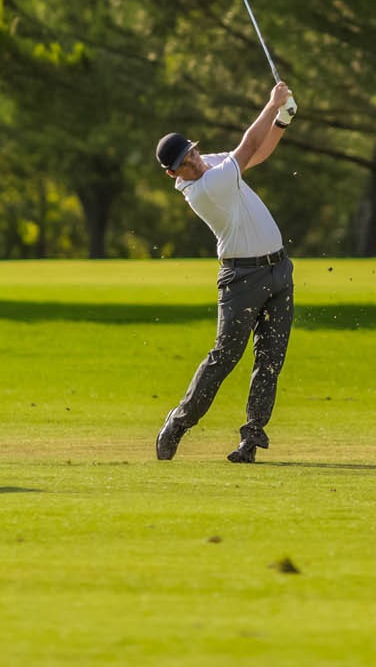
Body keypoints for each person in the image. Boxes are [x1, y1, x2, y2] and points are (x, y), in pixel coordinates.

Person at [154, 80, 298, 464]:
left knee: (270, 360)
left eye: (193, 153)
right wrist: (272, 104)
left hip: (279, 271)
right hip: (242, 280)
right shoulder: (202, 189)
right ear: (174, 174)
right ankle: (179, 422)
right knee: (224, 358)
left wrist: (281, 121)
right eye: (186, 162)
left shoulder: (211, 163)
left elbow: (256, 154)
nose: (195, 161)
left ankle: (250, 441)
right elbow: (247, 146)